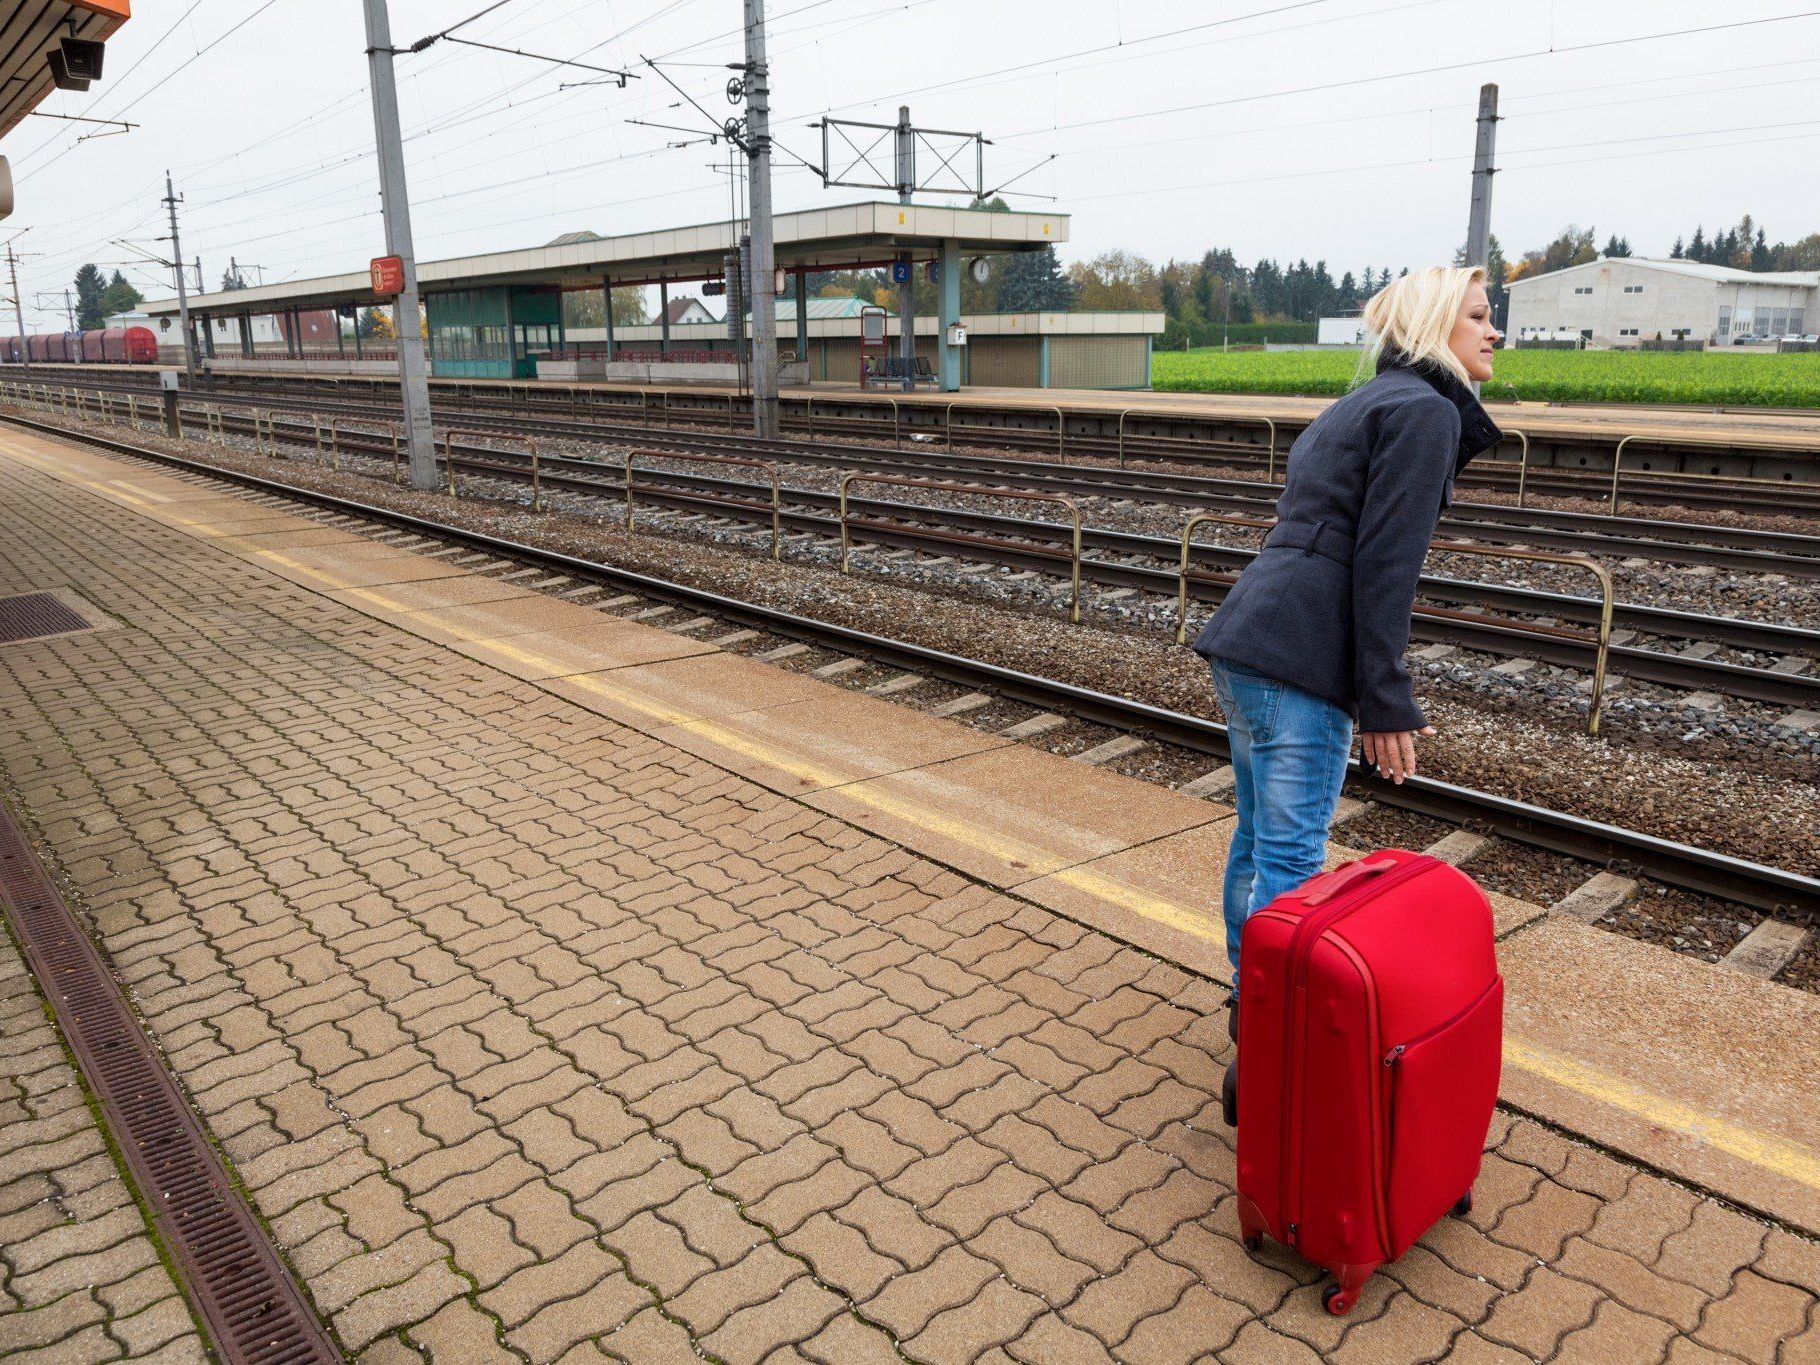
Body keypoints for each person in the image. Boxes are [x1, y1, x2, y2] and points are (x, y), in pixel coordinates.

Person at [1191, 266, 1504, 998]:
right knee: (1294, 857)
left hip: (1248, 639)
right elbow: (1385, 565)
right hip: (1300, 656)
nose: (1495, 332)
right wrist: (1385, 698)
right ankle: (1272, 1019)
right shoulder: (1426, 412)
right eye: (1479, 316)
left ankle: (1251, 989)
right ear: (1434, 326)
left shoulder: (1361, 401)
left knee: (1259, 838)